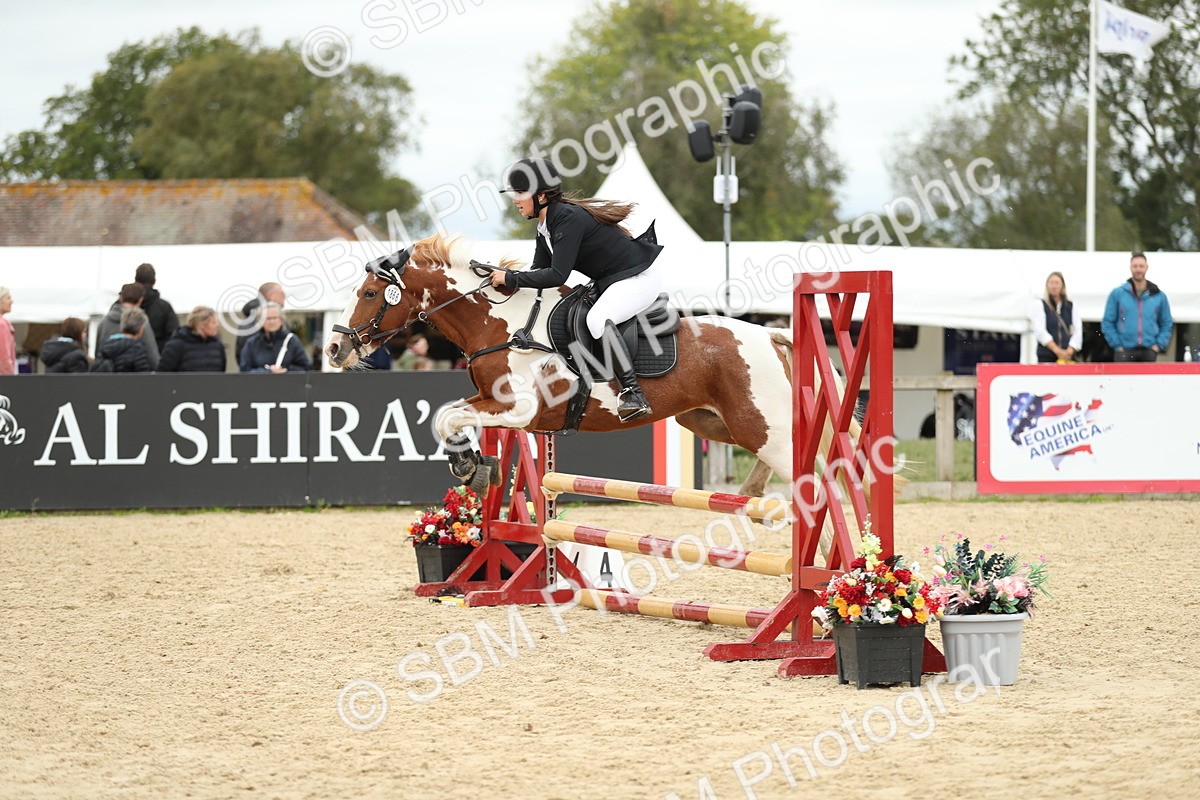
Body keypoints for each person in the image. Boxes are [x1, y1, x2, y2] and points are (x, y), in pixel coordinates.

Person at [493, 157, 664, 421]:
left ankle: (633, 392)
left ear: (541, 195)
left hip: (638, 278)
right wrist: (505, 281)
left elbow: (557, 275)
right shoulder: (545, 225)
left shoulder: (566, 219)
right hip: (613, 281)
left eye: (520, 193)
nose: (515, 200)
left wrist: (511, 278)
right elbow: (538, 272)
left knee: (597, 320)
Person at [1101, 251, 1173, 362]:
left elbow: (1167, 323)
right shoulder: (1117, 294)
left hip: (1149, 351)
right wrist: (1117, 345)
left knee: (1148, 380)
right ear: (1130, 268)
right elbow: (1107, 322)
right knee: (1122, 380)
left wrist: (1158, 345)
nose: (1138, 269)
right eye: (1135, 266)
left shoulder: (1159, 296)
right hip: (1123, 351)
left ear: (1147, 267)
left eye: (1141, 266)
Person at [95, 283, 160, 370]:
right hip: (134, 378)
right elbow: (152, 355)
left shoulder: (104, 322)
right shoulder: (141, 321)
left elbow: (98, 355)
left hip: (107, 378)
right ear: (140, 299)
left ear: (121, 298)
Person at [238, 302, 311, 373]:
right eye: (268, 318)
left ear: (281, 320)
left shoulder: (292, 340)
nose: (272, 322)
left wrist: (286, 370)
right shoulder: (252, 343)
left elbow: (306, 368)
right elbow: (244, 370)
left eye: (275, 318)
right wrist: (267, 371)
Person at [1031, 271, 1081, 363]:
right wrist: (1057, 350)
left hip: (1067, 357)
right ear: (1047, 285)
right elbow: (1040, 331)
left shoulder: (1071, 306)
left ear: (1062, 286)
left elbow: (1078, 330)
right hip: (1046, 356)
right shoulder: (1040, 305)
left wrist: (1070, 349)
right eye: (1051, 283)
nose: (1054, 286)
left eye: (1057, 283)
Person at [158, 306, 227, 372]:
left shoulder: (218, 346)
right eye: (213, 322)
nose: (217, 325)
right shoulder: (176, 346)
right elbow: (163, 375)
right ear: (201, 324)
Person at [235, 282, 286, 363]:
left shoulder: (248, 322)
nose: (284, 296)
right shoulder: (251, 325)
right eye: (282, 293)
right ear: (271, 295)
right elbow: (244, 361)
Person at [135, 263, 179, 351]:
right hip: (159, 356)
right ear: (154, 281)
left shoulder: (122, 304)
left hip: (127, 358)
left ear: (135, 279)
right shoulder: (165, 307)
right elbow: (174, 336)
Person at [93, 307, 152, 373]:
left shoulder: (105, 344)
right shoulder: (138, 349)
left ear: (122, 326)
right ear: (140, 330)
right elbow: (143, 376)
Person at [0, 286, 15, 375]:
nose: (12, 302)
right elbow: (4, 358)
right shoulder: (2, 324)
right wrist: (11, 381)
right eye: (8, 298)